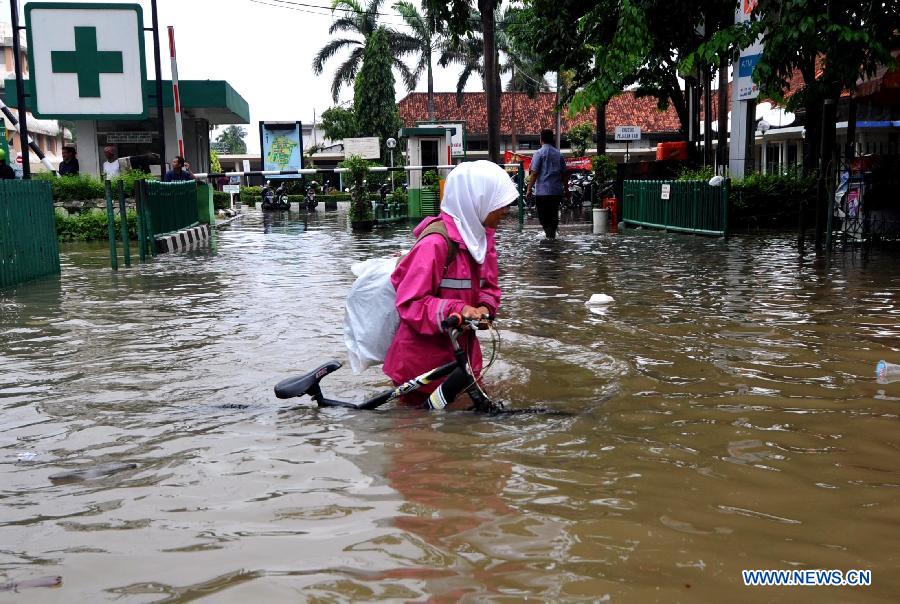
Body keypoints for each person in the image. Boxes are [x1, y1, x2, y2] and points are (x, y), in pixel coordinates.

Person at [383, 161, 518, 407]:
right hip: (421, 367)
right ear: (478, 198)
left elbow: (489, 288)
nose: (505, 210)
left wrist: (485, 310)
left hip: (462, 360)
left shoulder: (482, 239)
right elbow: (409, 303)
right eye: (499, 203)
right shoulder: (435, 244)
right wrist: (458, 310)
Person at [525, 129, 566, 239]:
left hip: (542, 192)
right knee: (553, 215)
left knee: (543, 217)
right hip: (556, 191)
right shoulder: (559, 155)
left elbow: (534, 173)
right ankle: (551, 236)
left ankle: (549, 237)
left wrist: (529, 189)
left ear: (541, 139)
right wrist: (566, 190)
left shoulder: (539, 153)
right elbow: (564, 174)